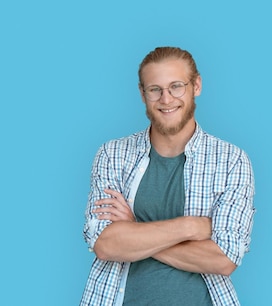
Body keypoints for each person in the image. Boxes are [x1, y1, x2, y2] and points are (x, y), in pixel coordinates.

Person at [80, 46, 255, 306]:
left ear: (196, 86)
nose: (166, 99)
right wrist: (191, 227)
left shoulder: (231, 160)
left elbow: (224, 260)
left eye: (176, 86)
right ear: (142, 94)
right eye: (155, 89)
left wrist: (135, 230)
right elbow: (106, 245)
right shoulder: (112, 155)